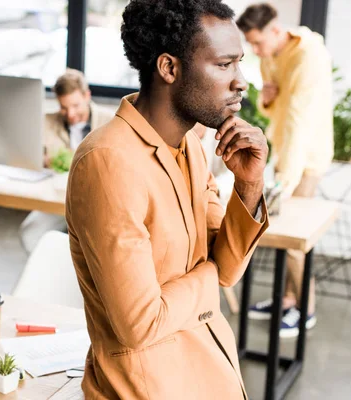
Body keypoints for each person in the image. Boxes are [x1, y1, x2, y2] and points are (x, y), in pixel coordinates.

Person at [66, 1, 269, 398]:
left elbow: (226, 268)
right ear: (169, 68)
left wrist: (249, 183)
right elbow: (141, 323)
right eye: (224, 65)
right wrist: (207, 279)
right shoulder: (108, 162)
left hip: (210, 367)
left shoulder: (191, 146)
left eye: (238, 64)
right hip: (149, 388)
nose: (241, 81)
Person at [237, 3, 334, 338]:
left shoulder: (308, 58)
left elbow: (298, 122)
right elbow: (274, 106)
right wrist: (266, 99)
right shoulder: (270, 55)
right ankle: (288, 299)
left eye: (257, 43)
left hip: (305, 159)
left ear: (275, 30)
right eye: (250, 44)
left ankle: (305, 309)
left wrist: (284, 181)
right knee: (279, 234)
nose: (254, 51)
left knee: (294, 238)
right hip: (284, 152)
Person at [18, 69, 112, 254]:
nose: (70, 114)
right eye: (63, 107)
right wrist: (43, 160)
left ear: (87, 96)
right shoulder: (47, 122)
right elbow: (26, 157)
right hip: (58, 198)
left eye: (76, 105)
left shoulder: (111, 121)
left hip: (98, 202)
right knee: (29, 233)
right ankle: (49, 274)